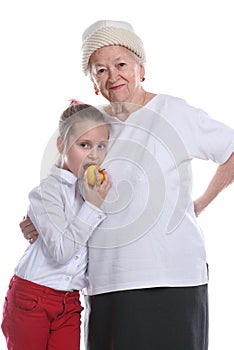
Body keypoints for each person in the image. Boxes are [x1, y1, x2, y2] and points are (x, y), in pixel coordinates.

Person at [20, 20, 234, 350]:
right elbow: (63, 183)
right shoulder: (91, 127)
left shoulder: (173, 111)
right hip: (108, 282)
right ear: (93, 82)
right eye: (100, 70)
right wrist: (38, 218)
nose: (113, 76)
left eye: (121, 64)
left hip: (175, 277)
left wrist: (202, 202)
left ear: (141, 68)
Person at [1, 102, 111, 350]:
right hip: (32, 296)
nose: (94, 155)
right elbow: (61, 253)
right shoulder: (45, 193)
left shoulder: (93, 189)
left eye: (101, 146)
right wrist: (92, 207)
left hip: (70, 301)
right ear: (61, 145)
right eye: (84, 145)